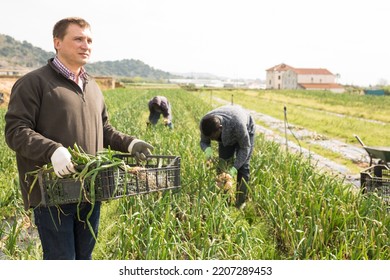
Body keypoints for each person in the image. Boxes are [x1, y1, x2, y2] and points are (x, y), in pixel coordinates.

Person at [4, 17, 153, 260]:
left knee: (84, 258)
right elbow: (16, 131)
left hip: (90, 190)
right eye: (78, 39)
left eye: (89, 40)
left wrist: (130, 143)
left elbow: (103, 129)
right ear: (57, 42)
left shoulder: (91, 85)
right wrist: (52, 150)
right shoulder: (34, 83)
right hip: (52, 192)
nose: (86, 45)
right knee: (62, 260)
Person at [199, 104, 255, 208]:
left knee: (243, 167)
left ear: (220, 128)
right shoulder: (204, 123)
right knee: (223, 165)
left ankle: (240, 202)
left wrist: (234, 169)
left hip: (245, 131)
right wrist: (207, 150)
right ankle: (226, 200)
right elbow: (204, 141)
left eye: (213, 137)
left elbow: (244, 148)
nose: (212, 139)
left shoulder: (238, 124)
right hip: (225, 136)